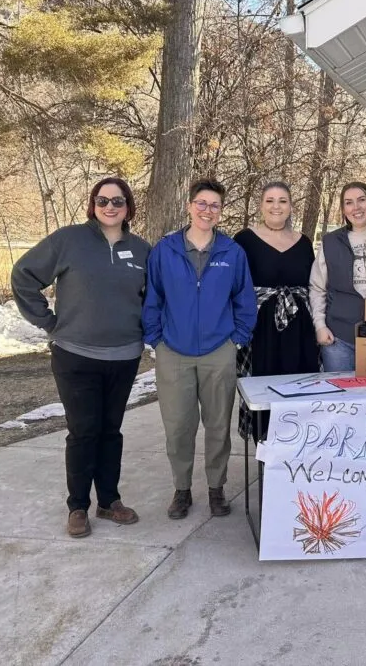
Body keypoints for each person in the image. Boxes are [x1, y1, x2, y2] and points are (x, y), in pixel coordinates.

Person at [11, 177, 150, 539]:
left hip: (124, 356)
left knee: (110, 431)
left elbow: (154, 297)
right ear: (93, 205)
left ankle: (109, 501)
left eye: (117, 201)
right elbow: (24, 275)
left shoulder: (141, 250)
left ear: (128, 207)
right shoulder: (68, 240)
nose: (109, 206)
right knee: (83, 431)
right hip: (75, 355)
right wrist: (49, 322)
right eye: (102, 200)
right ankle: (78, 507)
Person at [143, 179, 258, 520]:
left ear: (221, 212)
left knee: (218, 425)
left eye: (215, 205)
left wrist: (236, 338)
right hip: (173, 352)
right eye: (202, 203)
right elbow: (153, 299)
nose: (208, 210)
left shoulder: (232, 253)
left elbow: (244, 300)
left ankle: (216, 488)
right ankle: (181, 490)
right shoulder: (165, 250)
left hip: (217, 351)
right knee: (178, 426)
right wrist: (156, 340)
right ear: (190, 205)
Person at [234, 182, 319, 442]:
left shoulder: (303, 242)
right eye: (270, 200)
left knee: (299, 387)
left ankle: (298, 450)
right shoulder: (244, 240)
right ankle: (267, 454)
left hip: (299, 328)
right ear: (261, 206)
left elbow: (314, 285)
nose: (276, 206)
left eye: (282, 201)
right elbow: (234, 285)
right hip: (261, 330)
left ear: (291, 206)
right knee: (266, 389)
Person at [309, 182, 366, 372]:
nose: (356, 208)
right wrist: (320, 326)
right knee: (341, 396)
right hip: (338, 337)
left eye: (361, 200)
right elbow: (317, 287)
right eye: (349, 203)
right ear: (343, 209)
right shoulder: (331, 242)